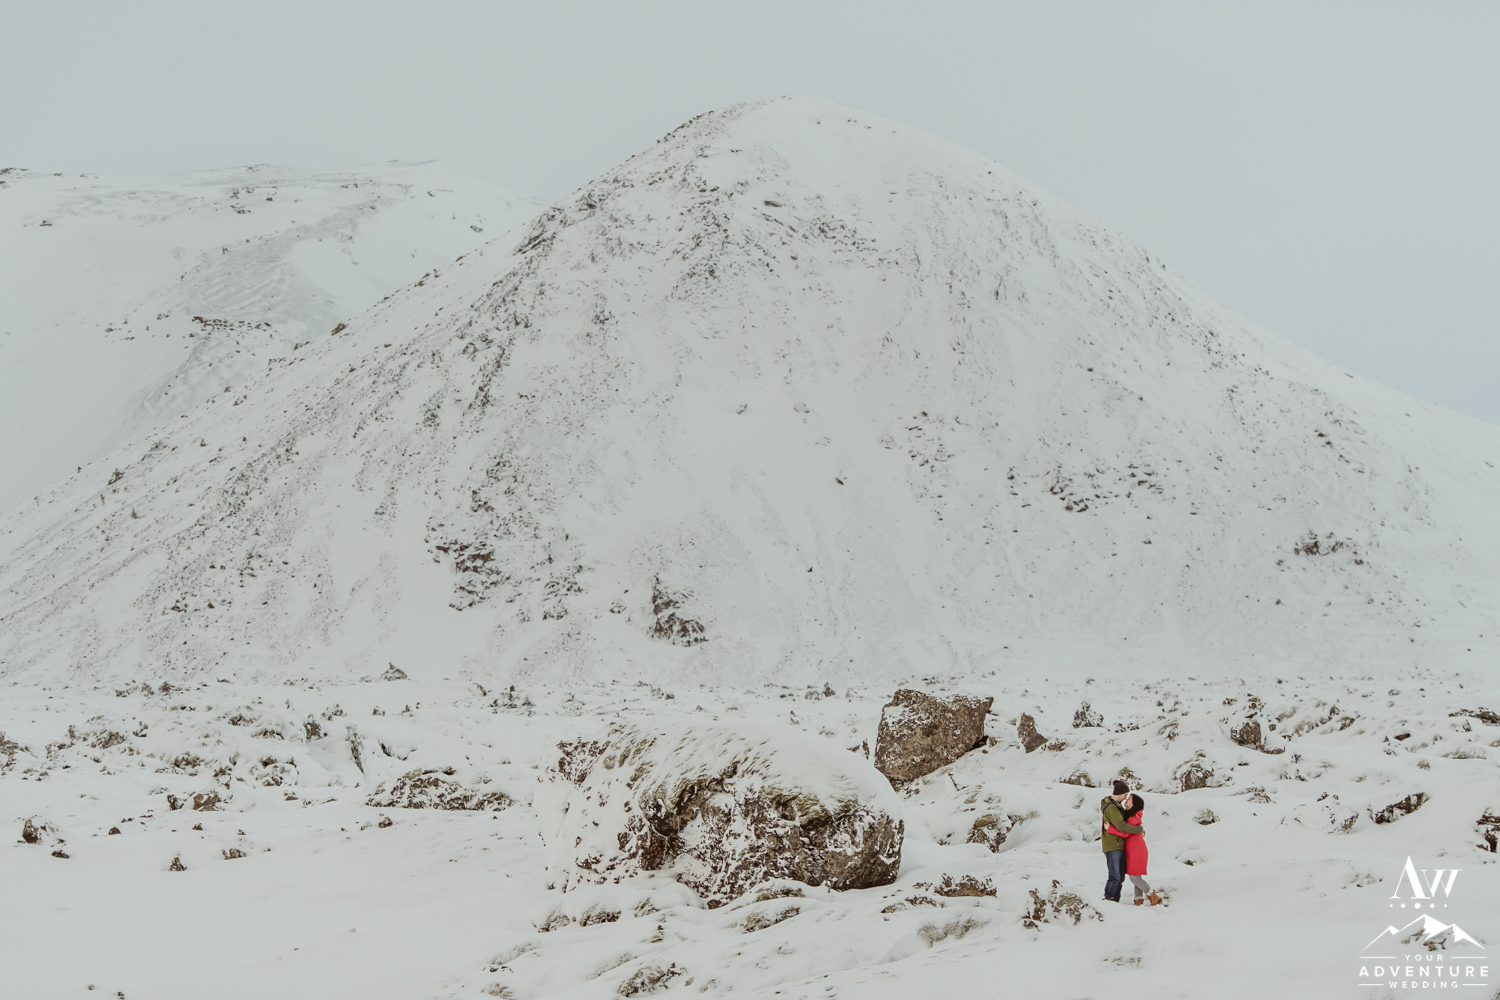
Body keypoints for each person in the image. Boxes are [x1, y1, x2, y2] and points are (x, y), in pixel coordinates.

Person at [1107, 792, 1161, 905]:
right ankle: (1138, 900)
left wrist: (1110, 829)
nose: (1126, 800)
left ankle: (1152, 895)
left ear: (1134, 804)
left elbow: (1125, 833)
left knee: (1134, 878)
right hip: (1135, 849)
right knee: (1136, 876)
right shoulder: (1132, 816)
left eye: (1129, 799)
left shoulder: (1132, 819)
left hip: (1136, 850)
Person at [1100, 780, 1141, 902]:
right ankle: (1110, 898)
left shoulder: (1117, 807)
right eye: (1125, 794)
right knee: (1115, 875)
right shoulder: (1112, 808)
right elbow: (1121, 826)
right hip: (1113, 845)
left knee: (1119, 876)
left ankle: (1114, 898)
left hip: (1118, 845)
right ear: (1120, 793)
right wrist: (1139, 829)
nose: (1126, 797)